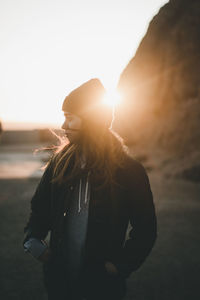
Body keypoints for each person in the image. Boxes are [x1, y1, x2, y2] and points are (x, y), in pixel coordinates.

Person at [23, 78, 157, 300]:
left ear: (91, 121)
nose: (64, 126)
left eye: (70, 118)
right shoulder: (59, 163)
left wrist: (119, 266)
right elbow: (39, 208)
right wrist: (34, 242)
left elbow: (146, 229)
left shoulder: (128, 170)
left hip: (103, 287)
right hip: (59, 283)